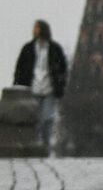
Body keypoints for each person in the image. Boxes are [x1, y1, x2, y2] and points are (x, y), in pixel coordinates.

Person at [13, 20, 68, 152]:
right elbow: (20, 67)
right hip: (32, 87)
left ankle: (45, 145)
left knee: (47, 118)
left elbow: (62, 68)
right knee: (34, 118)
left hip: (49, 88)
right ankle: (34, 144)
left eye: (37, 27)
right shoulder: (28, 48)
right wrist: (17, 83)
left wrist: (60, 83)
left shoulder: (55, 49)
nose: (35, 30)